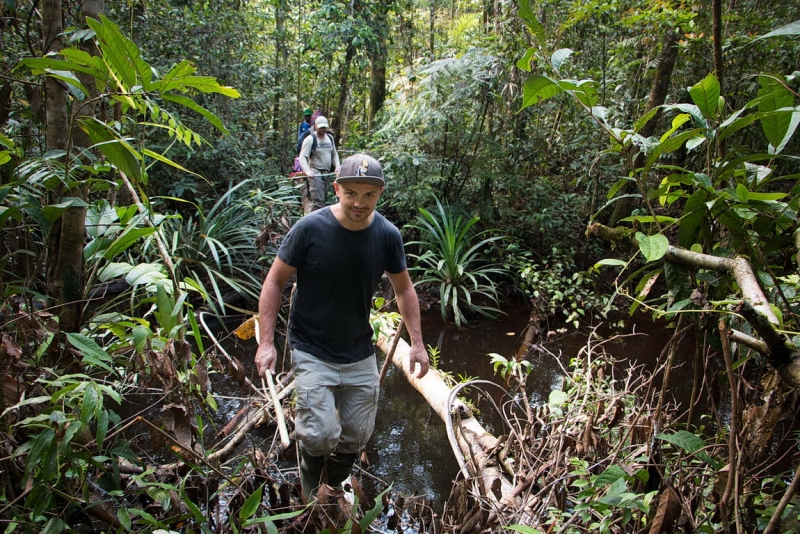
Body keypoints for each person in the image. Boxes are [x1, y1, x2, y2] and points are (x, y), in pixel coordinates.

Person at [255, 153, 429, 502]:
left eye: (368, 195)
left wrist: (418, 343)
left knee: (358, 435)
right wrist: (266, 343)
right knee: (319, 435)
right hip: (311, 346)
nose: (359, 203)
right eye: (351, 193)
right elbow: (275, 281)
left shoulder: (387, 235)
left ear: (379, 195)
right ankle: (309, 490)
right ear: (336, 189)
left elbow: (404, 288)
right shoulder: (309, 229)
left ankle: (332, 488)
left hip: (358, 348)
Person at [298, 115, 340, 212]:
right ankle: (314, 223)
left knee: (323, 199)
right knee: (318, 201)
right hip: (315, 172)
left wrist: (337, 166)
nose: (322, 130)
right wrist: (307, 171)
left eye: (324, 127)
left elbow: (334, 154)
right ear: (315, 126)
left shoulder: (330, 138)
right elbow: (302, 156)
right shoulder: (310, 139)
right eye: (320, 127)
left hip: (326, 172)